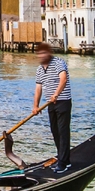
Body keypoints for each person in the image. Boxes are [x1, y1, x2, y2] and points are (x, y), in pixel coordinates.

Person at [31, 44, 71, 172]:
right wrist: (36, 105)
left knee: (62, 132)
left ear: (49, 53)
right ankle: (64, 159)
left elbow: (63, 79)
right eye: (39, 54)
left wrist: (56, 94)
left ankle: (63, 163)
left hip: (63, 101)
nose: (41, 56)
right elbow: (38, 88)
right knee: (55, 131)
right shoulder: (39, 69)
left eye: (44, 53)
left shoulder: (59, 63)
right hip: (50, 104)